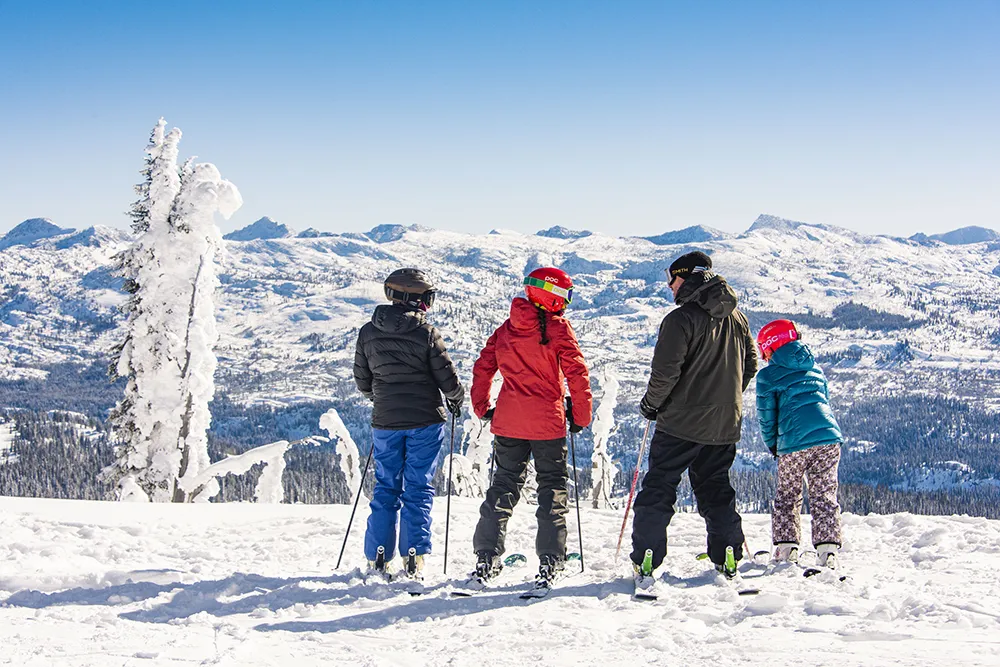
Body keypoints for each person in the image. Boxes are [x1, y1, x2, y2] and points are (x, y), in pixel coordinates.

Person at [632, 251, 757, 579]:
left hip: (680, 425)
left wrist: (651, 405)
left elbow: (665, 374)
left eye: (670, 279)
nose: (669, 287)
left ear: (684, 278)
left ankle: (647, 557)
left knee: (659, 487)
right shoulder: (738, 318)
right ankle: (728, 553)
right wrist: (724, 399)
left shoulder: (680, 320)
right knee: (716, 488)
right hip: (724, 424)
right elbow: (751, 364)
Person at [470, 267, 593, 585]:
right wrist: (580, 417)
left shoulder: (506, 329)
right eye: (564, 295)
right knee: (551, 489)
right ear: (550, 295)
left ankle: (487, 558)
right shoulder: (558, 329)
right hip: (548, 425)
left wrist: (483, 408)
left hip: (509, 423)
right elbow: (577, 375)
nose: (566, 303)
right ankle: (551, 561)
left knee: (504, 485)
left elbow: (483, 368)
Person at [353, 268, 464, 579]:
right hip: (425, 421)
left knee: (386, 486)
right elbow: (448, 380)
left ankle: (378, 555)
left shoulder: (367, 332)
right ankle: (413, 556)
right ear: (416, 299)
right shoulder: (427, 333)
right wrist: (456, 399)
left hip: (385, 421)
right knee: (417, 487)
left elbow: (363, 379)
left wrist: (382, 399)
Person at [755, 319, 844, 569]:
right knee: (824, 493)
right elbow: (823, 400)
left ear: (771, 346)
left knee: (788, 494)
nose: (764, 356)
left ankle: (787, 549)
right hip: (828, 439)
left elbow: (766, 415)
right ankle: (828, 552)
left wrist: (774, 444)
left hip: (793, 443)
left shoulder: (768, 376)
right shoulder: (814, 368)